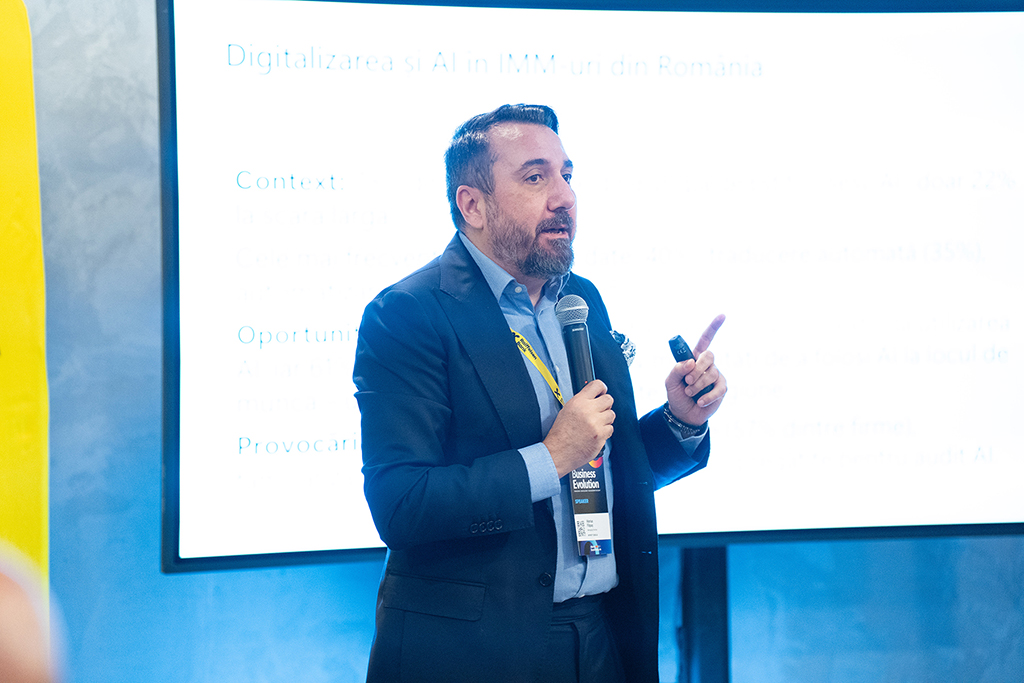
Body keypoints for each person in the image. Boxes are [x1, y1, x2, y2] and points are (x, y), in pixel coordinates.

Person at [353, 104, 727, 682]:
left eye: (567, 175)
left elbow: (607, 466)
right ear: (472, 205)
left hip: (600, 637)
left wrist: (681, 419)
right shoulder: (409, 313)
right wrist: (551, 458)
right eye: (535, 177)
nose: (564, 198)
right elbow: (402, 504)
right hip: (475, 653)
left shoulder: (580, 300)